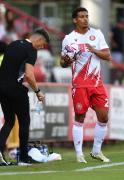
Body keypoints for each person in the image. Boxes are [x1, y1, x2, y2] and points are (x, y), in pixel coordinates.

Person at [60, 7, 111, 163]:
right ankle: (79, 154)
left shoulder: (97, 34)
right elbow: (62, 62)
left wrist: (94, 49)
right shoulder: (69, 39)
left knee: (103, 117)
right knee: (80, 118)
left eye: (86, 16)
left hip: (97, 83)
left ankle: (96, 151)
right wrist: (67, 60)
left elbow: (107, 55)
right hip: (80, 84)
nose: (85, 19)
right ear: (75, 20)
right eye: (81, 16)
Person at [0, 28, 49, 166]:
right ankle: (23, 158)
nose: (42, 47)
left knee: (9, 121)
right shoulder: (31, 50)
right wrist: (38, 91)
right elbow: (29, 75)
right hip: (15, 88)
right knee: (24, 121)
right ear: (38, 39)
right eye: (43, 44)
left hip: (1, 87)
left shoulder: (13, 44)